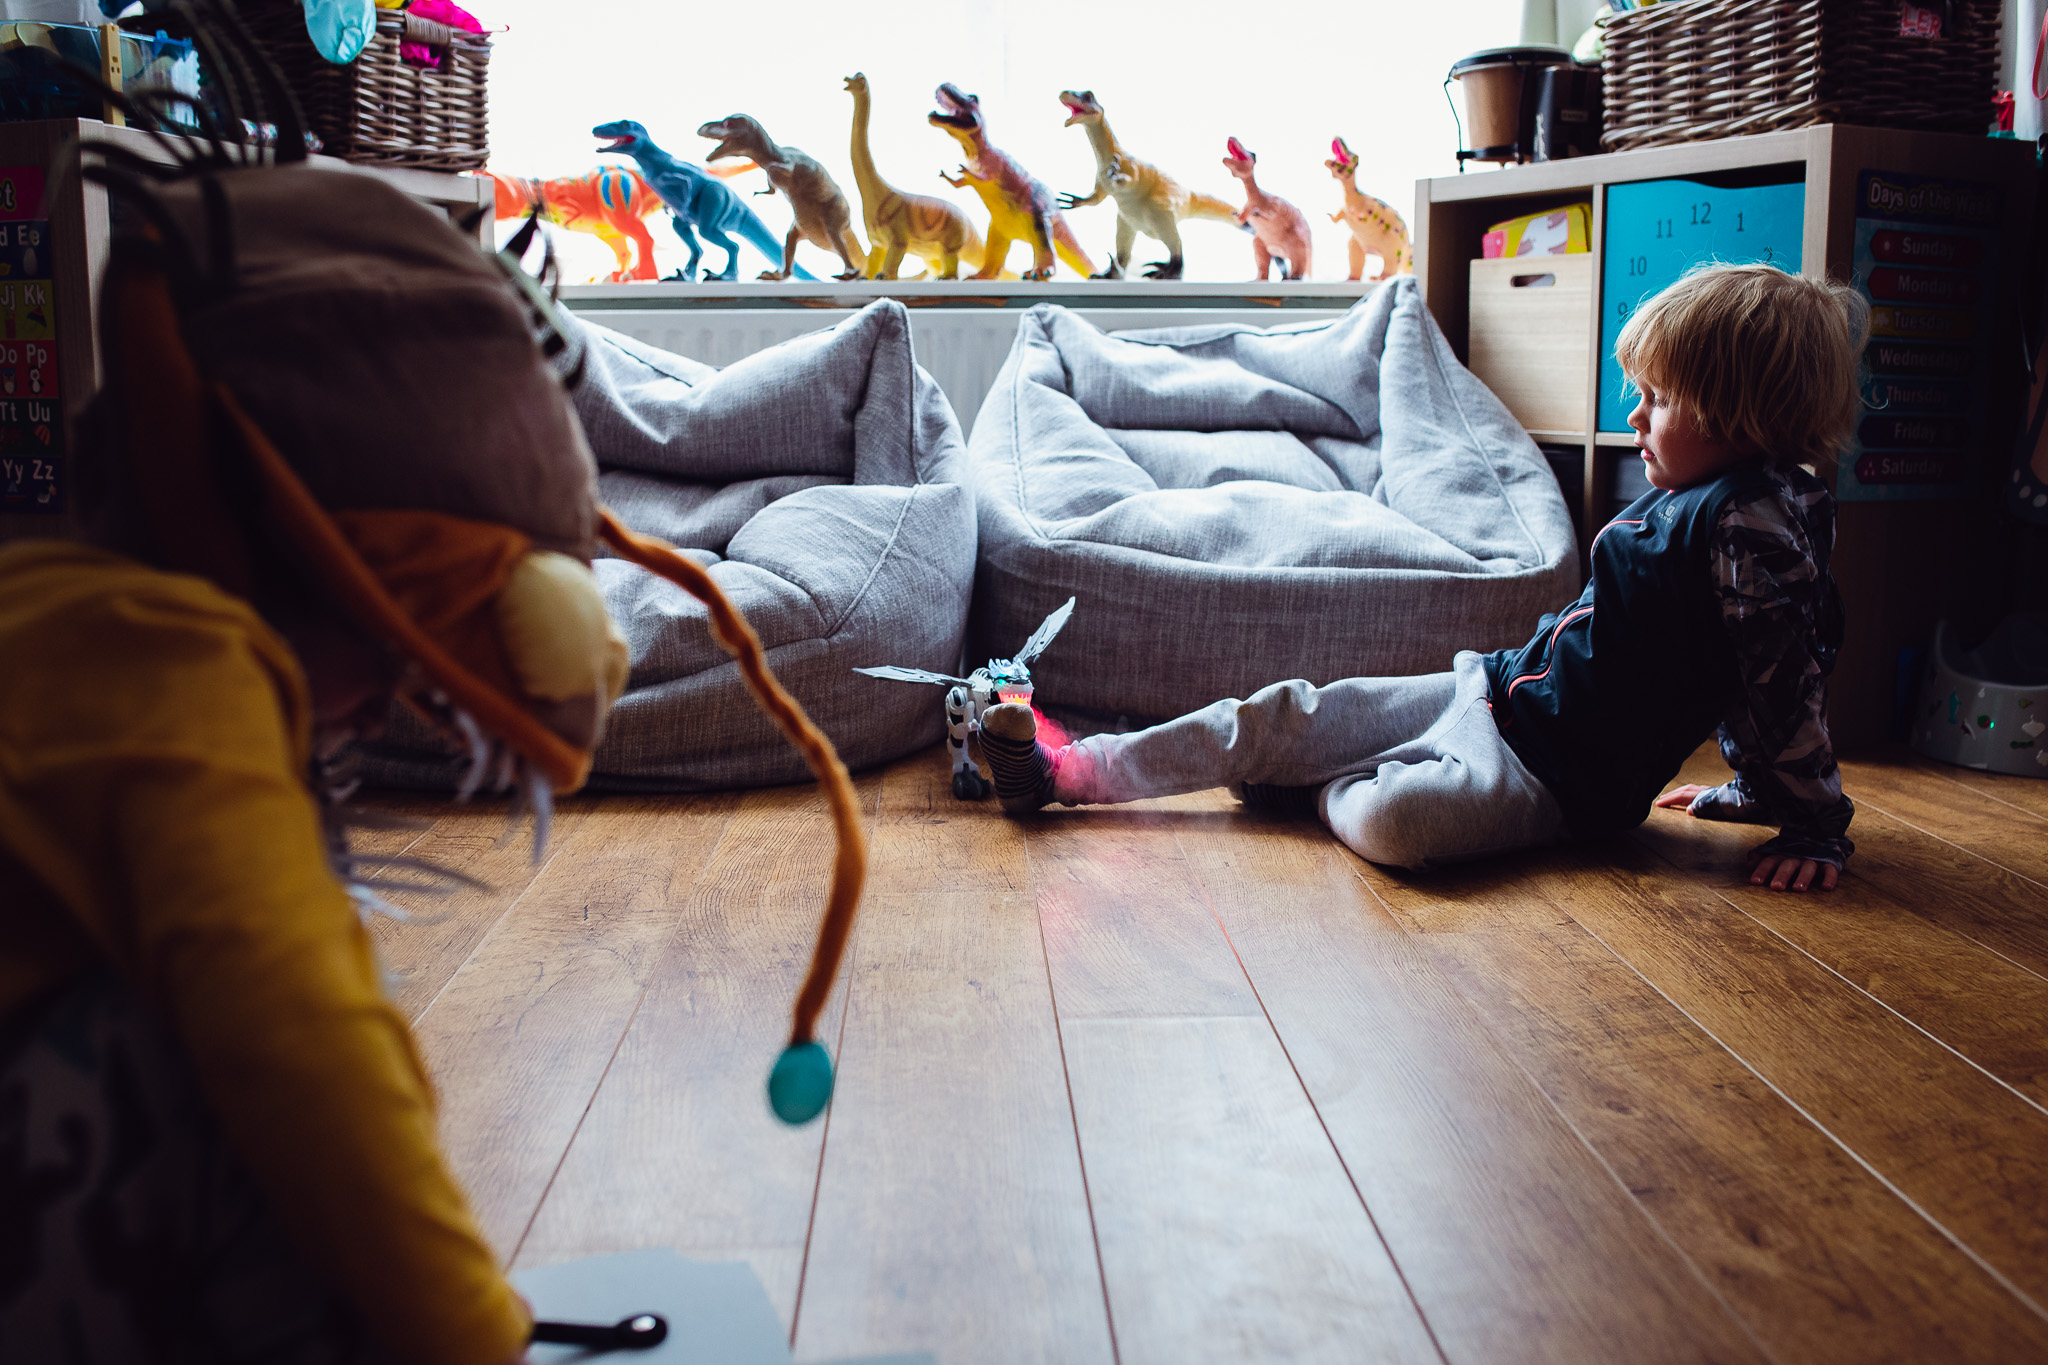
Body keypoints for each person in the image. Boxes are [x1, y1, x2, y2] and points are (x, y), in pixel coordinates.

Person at [979, 263, 1864, 895]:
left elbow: (1779, 675)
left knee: (1397, 825)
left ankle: (1305, 783)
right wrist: (1748, 786)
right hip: (1488, 687)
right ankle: (1066, 771)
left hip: (1547, 782)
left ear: (1743, 413)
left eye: (1659, 400)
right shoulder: (1719, 500)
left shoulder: (1753, 528)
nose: (1635, 416)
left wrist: (1811, 816)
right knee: (1281, 708)